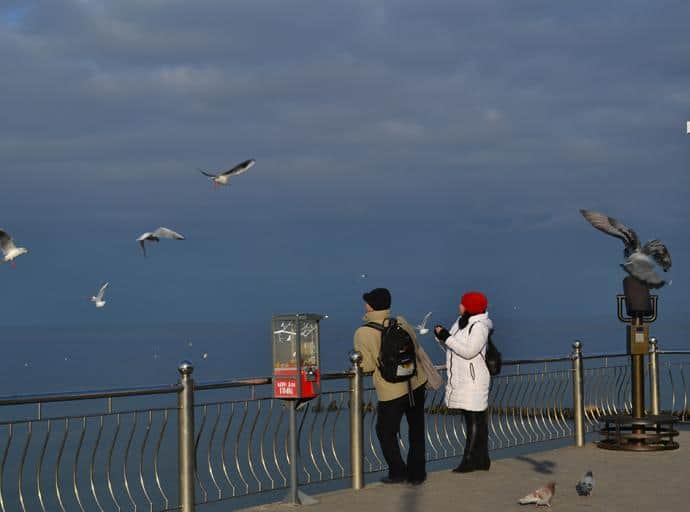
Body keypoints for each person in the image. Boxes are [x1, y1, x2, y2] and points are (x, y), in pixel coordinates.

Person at [353, 287, 428, 485]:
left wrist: (356, 362)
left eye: (367, 302)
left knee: (385, 431)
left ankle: (397, 471)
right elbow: (415, 346)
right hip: (415, 384)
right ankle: (417, 474)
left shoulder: (363, 332)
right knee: (416, 430)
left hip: (391, 390)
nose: (365, 305)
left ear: (371, 307)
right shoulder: (401, 322)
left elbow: (367, 365)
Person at [434, 291, 492, 473]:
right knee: (474, 419)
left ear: (470, 307)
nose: (459, 306)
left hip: (474, 380)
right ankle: (482, 460)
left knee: (474, 419)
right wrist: (442, 337)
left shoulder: (479, 326)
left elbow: (469, 351)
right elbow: (452, 347)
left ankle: (469, 460)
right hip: (463, 379)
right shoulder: (461, 323)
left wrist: (447, 337)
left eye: (462, 303)